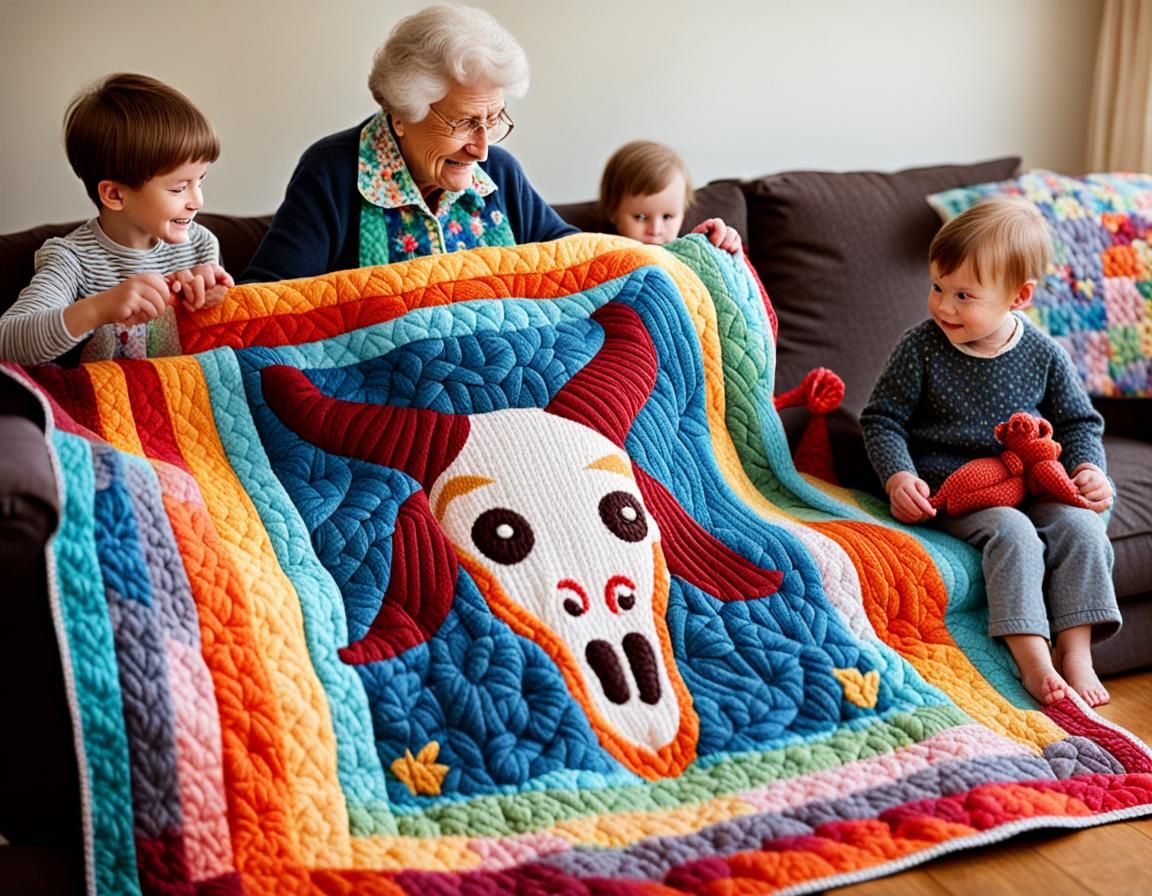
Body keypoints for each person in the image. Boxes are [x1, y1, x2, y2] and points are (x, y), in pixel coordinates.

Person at [241, 6, 739, 284]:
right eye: (463, 123)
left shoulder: (499, 172)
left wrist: (690, 253)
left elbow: (575, 254)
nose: (481, 149)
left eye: (494, 119)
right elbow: (267, 301)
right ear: (401, 114)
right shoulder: (333, 172)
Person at [860, 197, 1120, 708]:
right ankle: (1033, 659)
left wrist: (1089, 468)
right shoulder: (922, 348)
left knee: (1083, 526)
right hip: (958, 491)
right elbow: (881, 419)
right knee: (1015, 532)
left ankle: (1077, 652)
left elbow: (1078, 422)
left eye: (964, 295)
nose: (944, 306)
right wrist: (898, 477)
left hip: (1031, 480)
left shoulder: (1043, 353)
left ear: (1018, 298)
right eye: (937, 287)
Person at [0, 73, 232, 365]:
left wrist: (215, 300)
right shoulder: (71, 259)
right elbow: (6, 342)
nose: (198, 201)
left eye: (201, 181)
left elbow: (222, 344)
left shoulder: (201, 244)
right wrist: (98, 310)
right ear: (114, 195)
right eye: (178, 188)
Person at [598, 140, 741, 253]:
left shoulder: (690, 248)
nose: (655, 230)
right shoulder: (601, 251)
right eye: (640, 217)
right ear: (613, 211)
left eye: (667, 217)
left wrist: (727, 245)